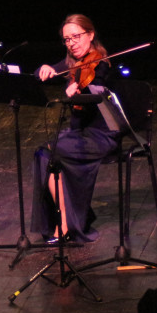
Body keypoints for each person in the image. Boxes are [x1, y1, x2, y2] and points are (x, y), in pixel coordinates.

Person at [32, 14, 119, 244]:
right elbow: (42, 75)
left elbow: (97, 87)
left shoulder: (102, 64)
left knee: (50, 152)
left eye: (77, 37)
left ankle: (67, 223)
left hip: (102, 135)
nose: (72, 43)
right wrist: (45, 69)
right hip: (78, 134)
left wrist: (81, 89)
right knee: (42, 153)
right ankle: (68, 219)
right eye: (67, 39)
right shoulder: (72, 63)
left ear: (90, 35)